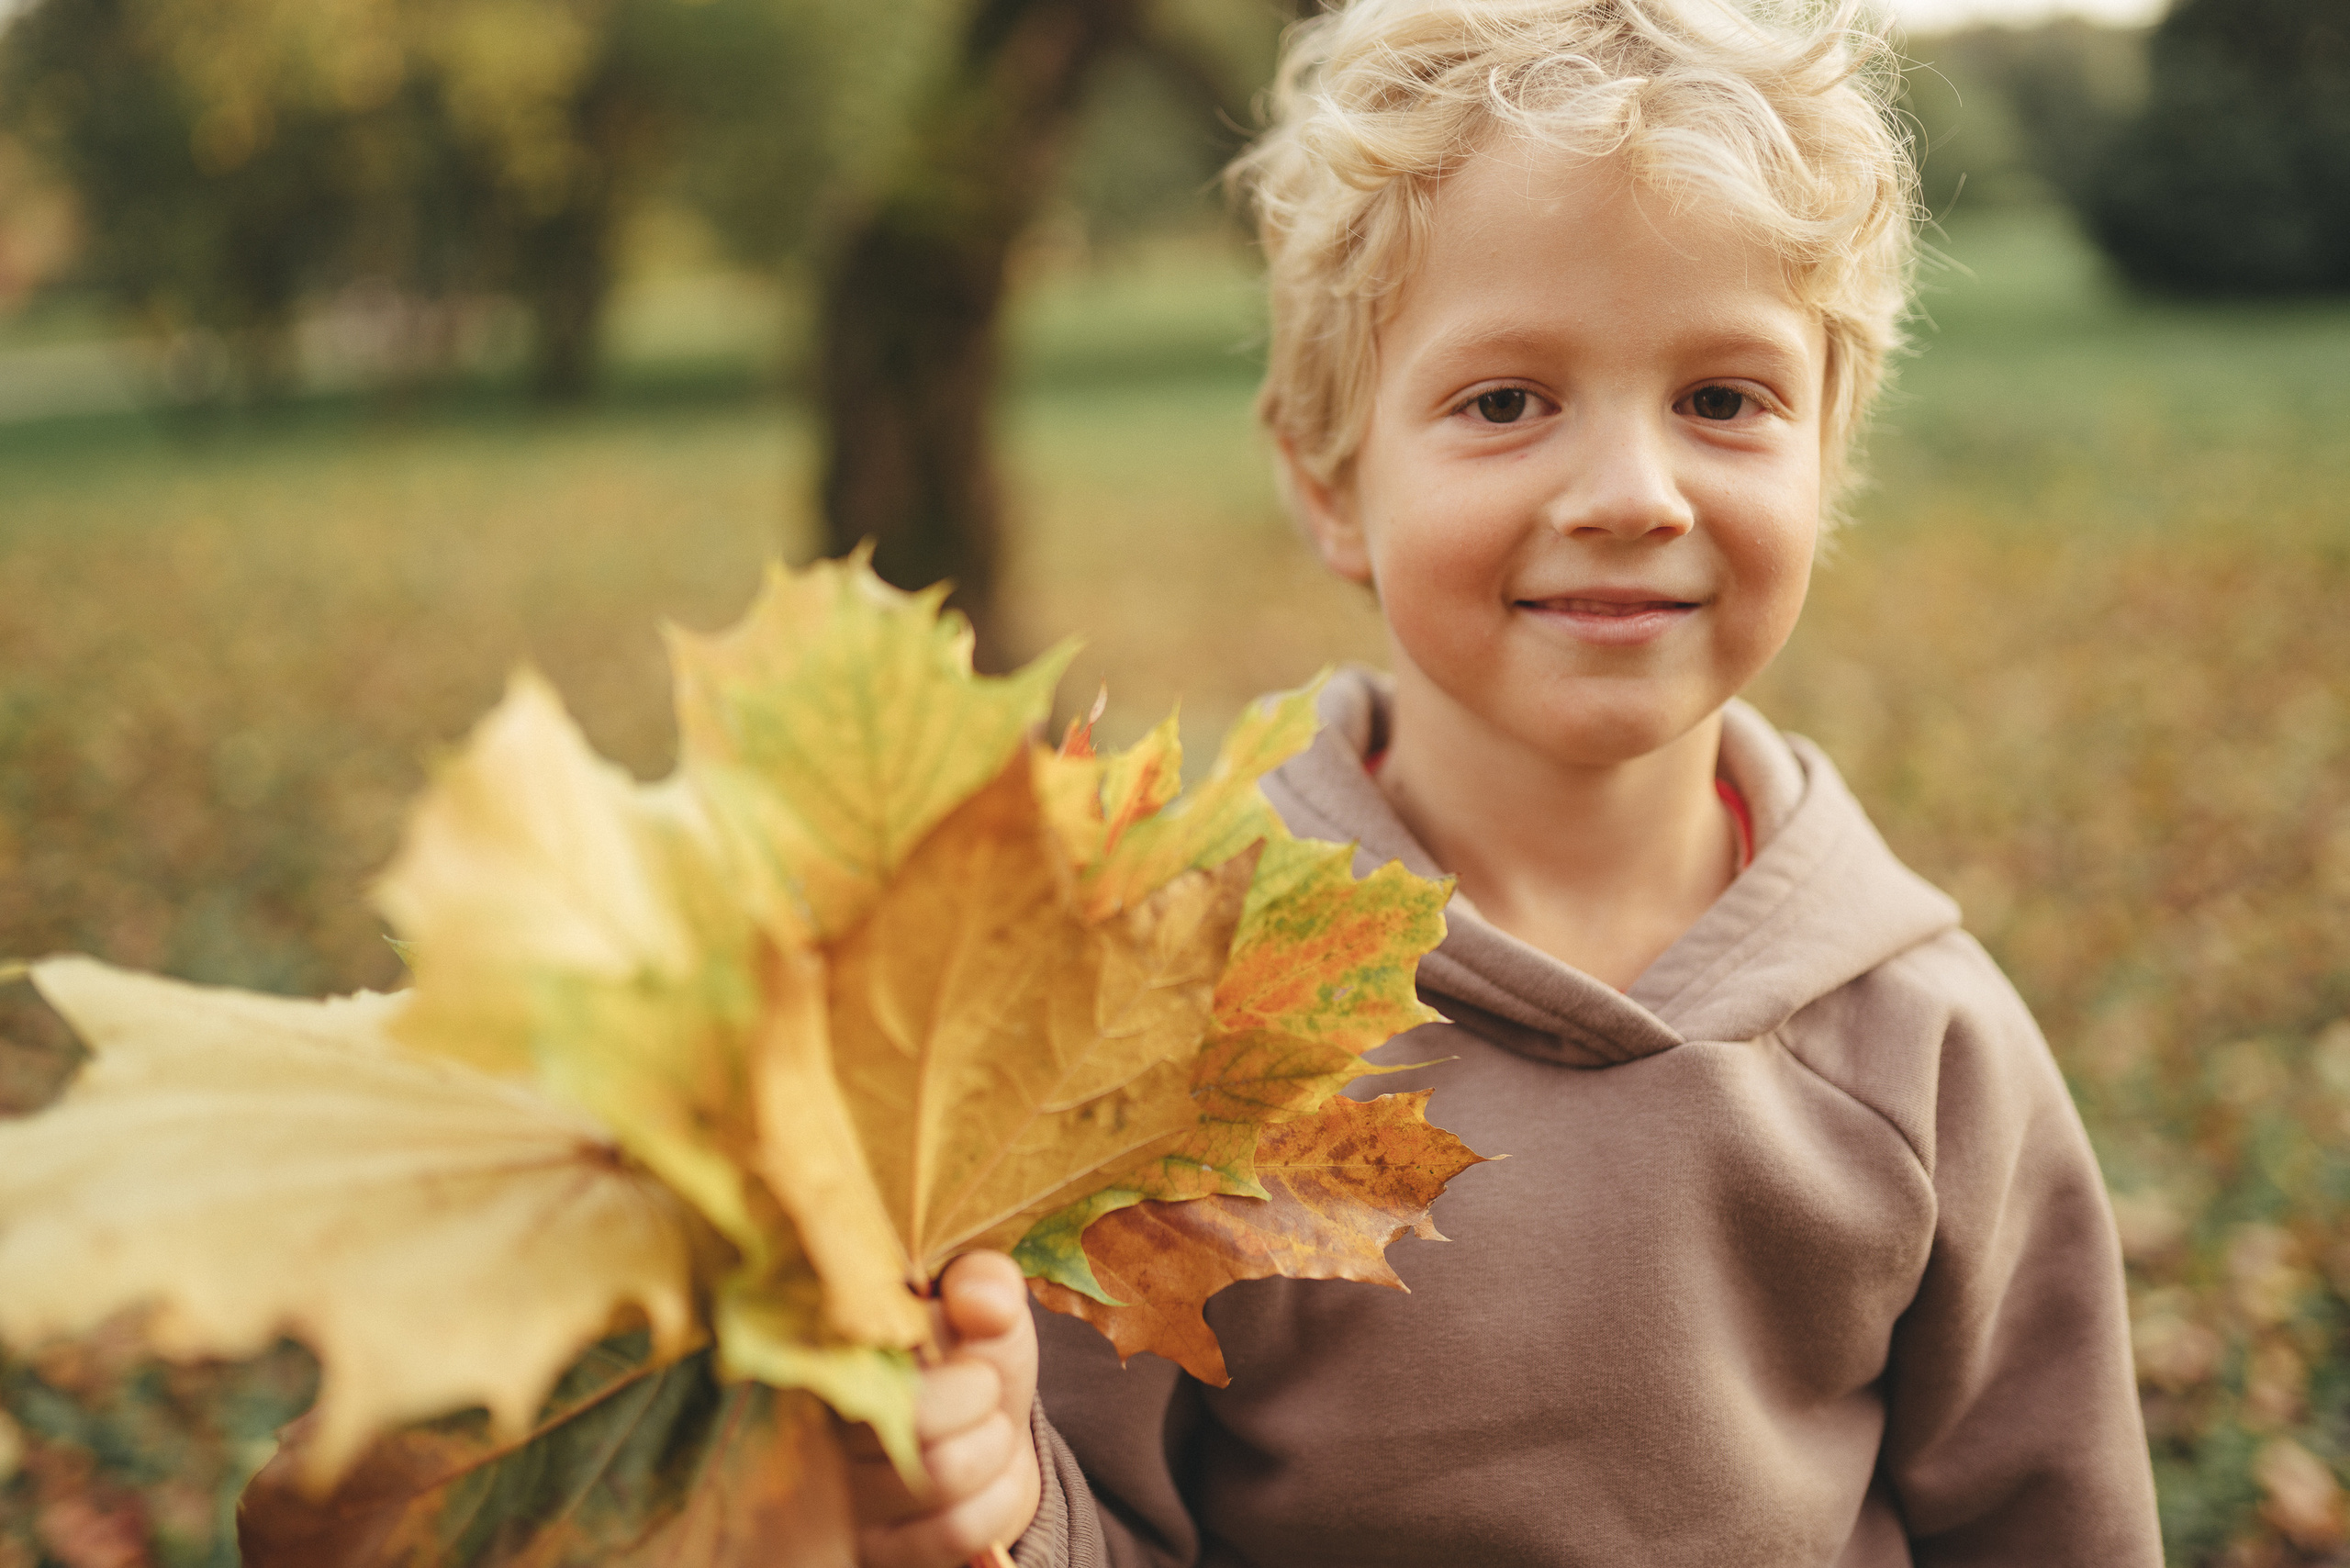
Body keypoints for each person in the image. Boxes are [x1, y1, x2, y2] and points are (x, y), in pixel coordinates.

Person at [849, 0, 2163, 1562]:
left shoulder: (1925, 1048)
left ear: (1831, 451)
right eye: (1505, 403)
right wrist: (988, 1504)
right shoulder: (1166, 1008)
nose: (1628, 494)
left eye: (1724, 401)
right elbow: (1094, 1521)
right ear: (1332, 483)